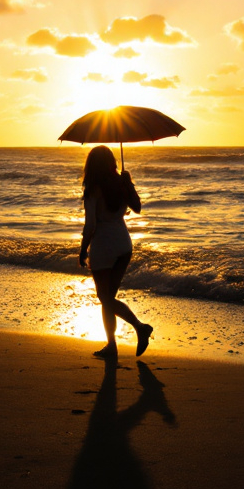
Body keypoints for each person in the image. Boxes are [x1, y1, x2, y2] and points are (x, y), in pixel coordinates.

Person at [78, 145, 153, 359]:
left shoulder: (93, 188)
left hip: (103, 246)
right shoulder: (121, 183)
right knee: (108, 297)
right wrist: (128, 183)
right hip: (123, 244)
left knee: (105, 297)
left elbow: (91, 225)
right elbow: (137, 207)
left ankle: (139, 327)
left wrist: (83, 249)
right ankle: (111, 346)